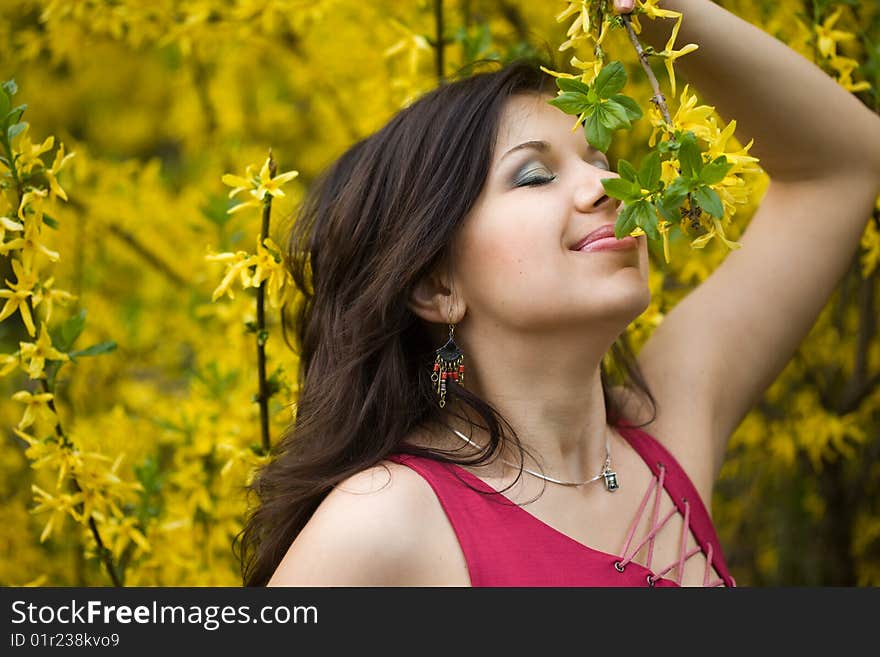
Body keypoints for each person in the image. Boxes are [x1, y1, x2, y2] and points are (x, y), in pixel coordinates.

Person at [238, 0, 880, 587]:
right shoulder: (383, 522)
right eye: (536, 175)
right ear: (436, 285)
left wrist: (662, 10)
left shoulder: (668, 433)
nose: (610, 188)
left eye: (600, 160)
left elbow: (844, 164)